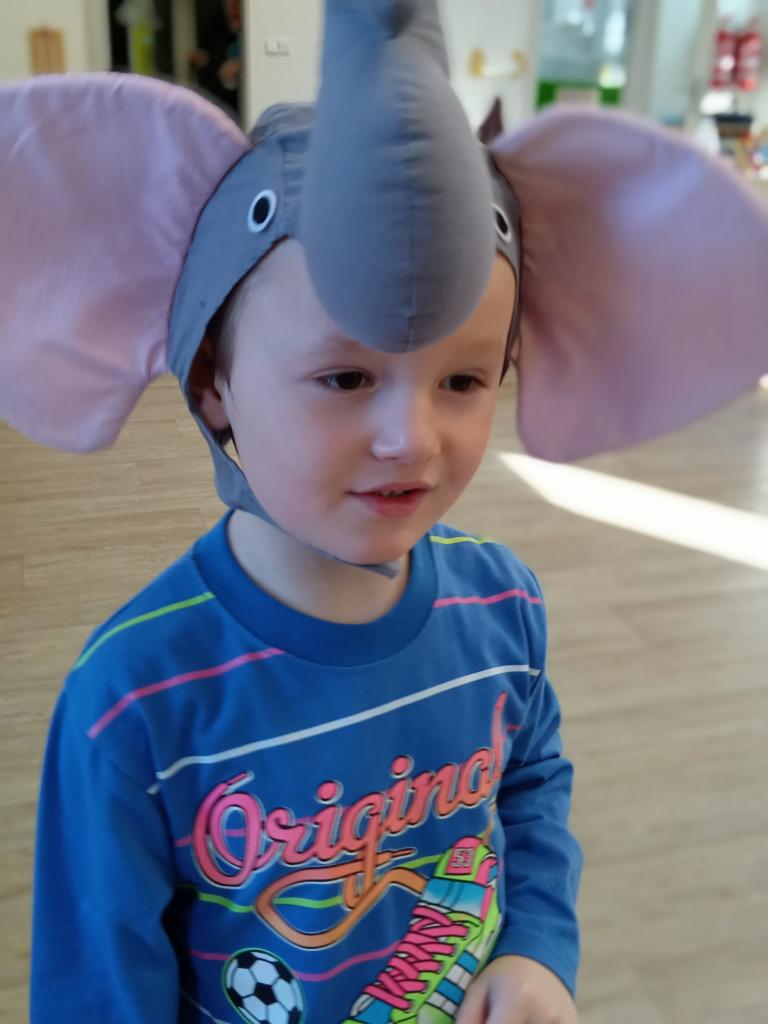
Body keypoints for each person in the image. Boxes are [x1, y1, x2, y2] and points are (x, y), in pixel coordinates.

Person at [3, 3, 766, 1023]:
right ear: (214, 382)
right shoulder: (131, 700)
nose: (413, 437)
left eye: (464, 380)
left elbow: (530, 786)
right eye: (346, 376)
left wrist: (535, 946)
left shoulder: (504, 608)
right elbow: (98, 987)